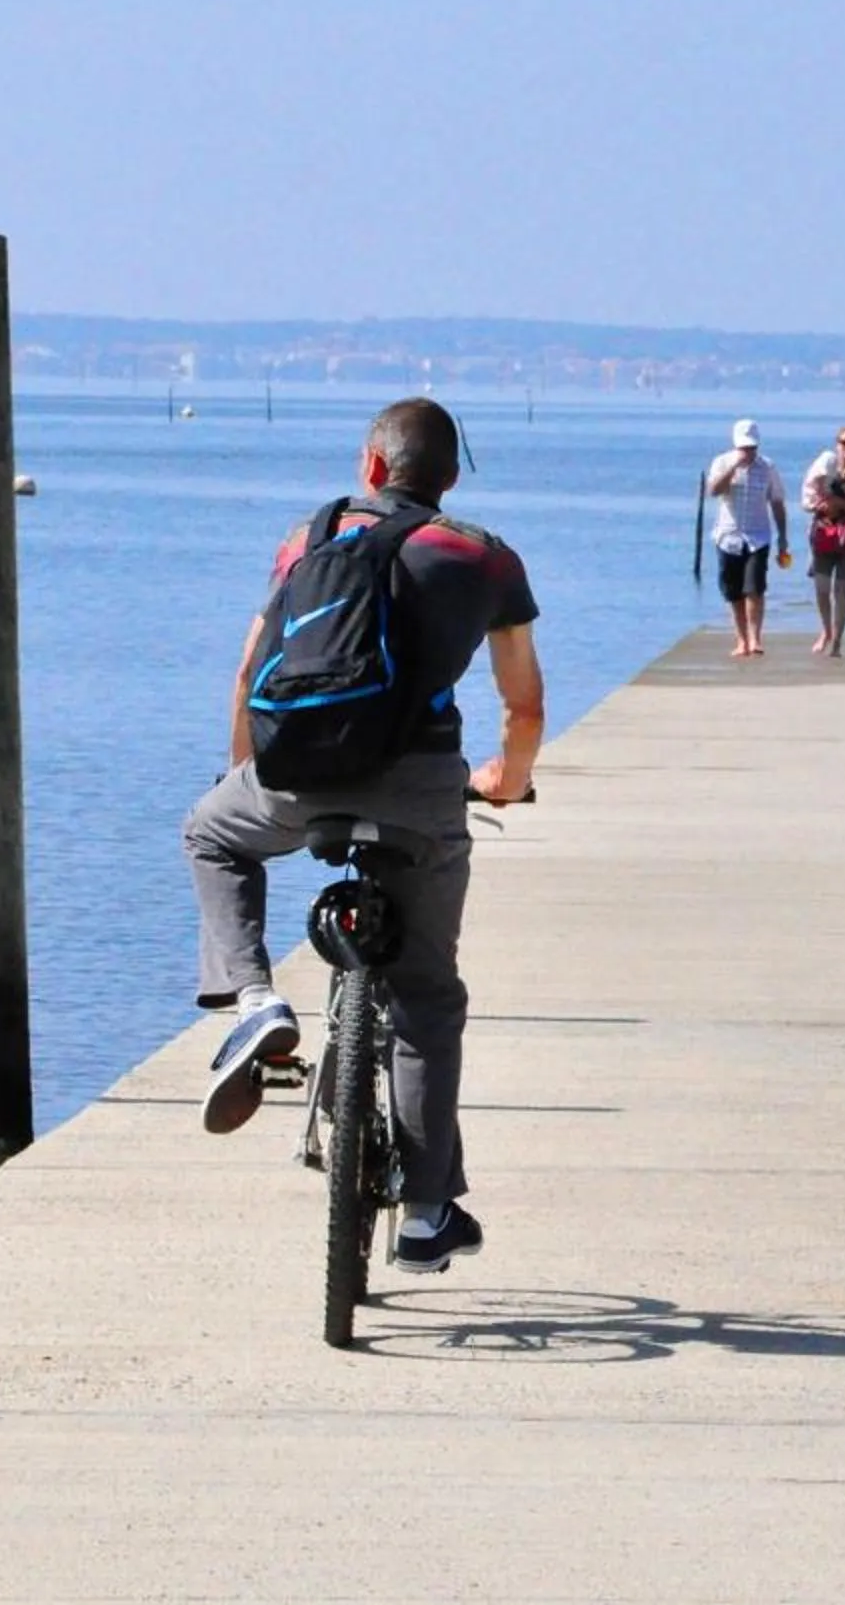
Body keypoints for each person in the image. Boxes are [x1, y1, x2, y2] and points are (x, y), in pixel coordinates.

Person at [183, 397, 543, 1275]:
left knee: (211, 836)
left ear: (372, 467)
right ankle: (426, 1215)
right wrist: (508, 780)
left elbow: (248, 673)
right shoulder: (484, 557)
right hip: (422, 791)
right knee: (426, 998)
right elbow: (523, 704)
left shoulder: (306, 542)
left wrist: (247, 774)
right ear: (448, 478)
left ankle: (254, 999)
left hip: (294, 775)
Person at [705, 418, 788, 658]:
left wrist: (783, 537)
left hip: (758, 536)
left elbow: (777, 502)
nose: (748, 453)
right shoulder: (722, 462)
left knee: (755, 588)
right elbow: (713, 491)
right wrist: (733, 468)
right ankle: (741, 640)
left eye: (752, 448)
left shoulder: (767, 467)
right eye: (744, 448)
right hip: (728, 536)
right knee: (733, 592)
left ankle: (755, 638)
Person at [798, 425, 845, 657]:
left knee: (841, 589)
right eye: (843, 443)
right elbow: (809, 496)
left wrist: (840, 503)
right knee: (821, 588)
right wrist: (818, 505)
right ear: (837, 444)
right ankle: (825, 630)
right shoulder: (824, 467)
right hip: (823, 532)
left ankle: (837, 641)